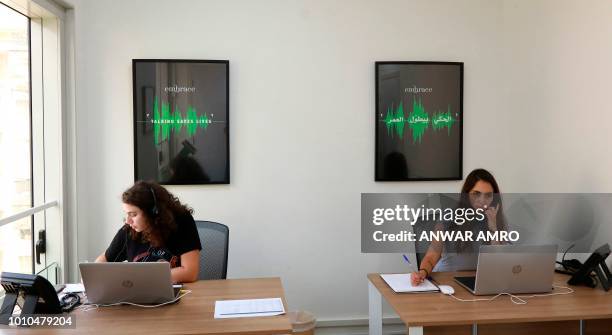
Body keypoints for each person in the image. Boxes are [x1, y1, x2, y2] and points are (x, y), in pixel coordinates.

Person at [411, 168, 507, 286]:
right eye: (476, 194)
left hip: (478, 282)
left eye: (488, 195)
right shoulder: (449, 217)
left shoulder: (495, 219)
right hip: (446, 280)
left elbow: (500, 262)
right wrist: (422, 272)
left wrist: (493, 228)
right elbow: (431, 256)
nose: (482, 200)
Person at [95, 181, 202, 283]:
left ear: (153, 212)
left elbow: (190, 272)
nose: (128, 221)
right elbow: (102, 261)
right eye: (126, 214)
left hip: (176, 295)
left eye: (133, 214)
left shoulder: (182, 222)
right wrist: (92, 277)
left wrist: (140, 278)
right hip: (138, 296)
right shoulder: (128, 230)